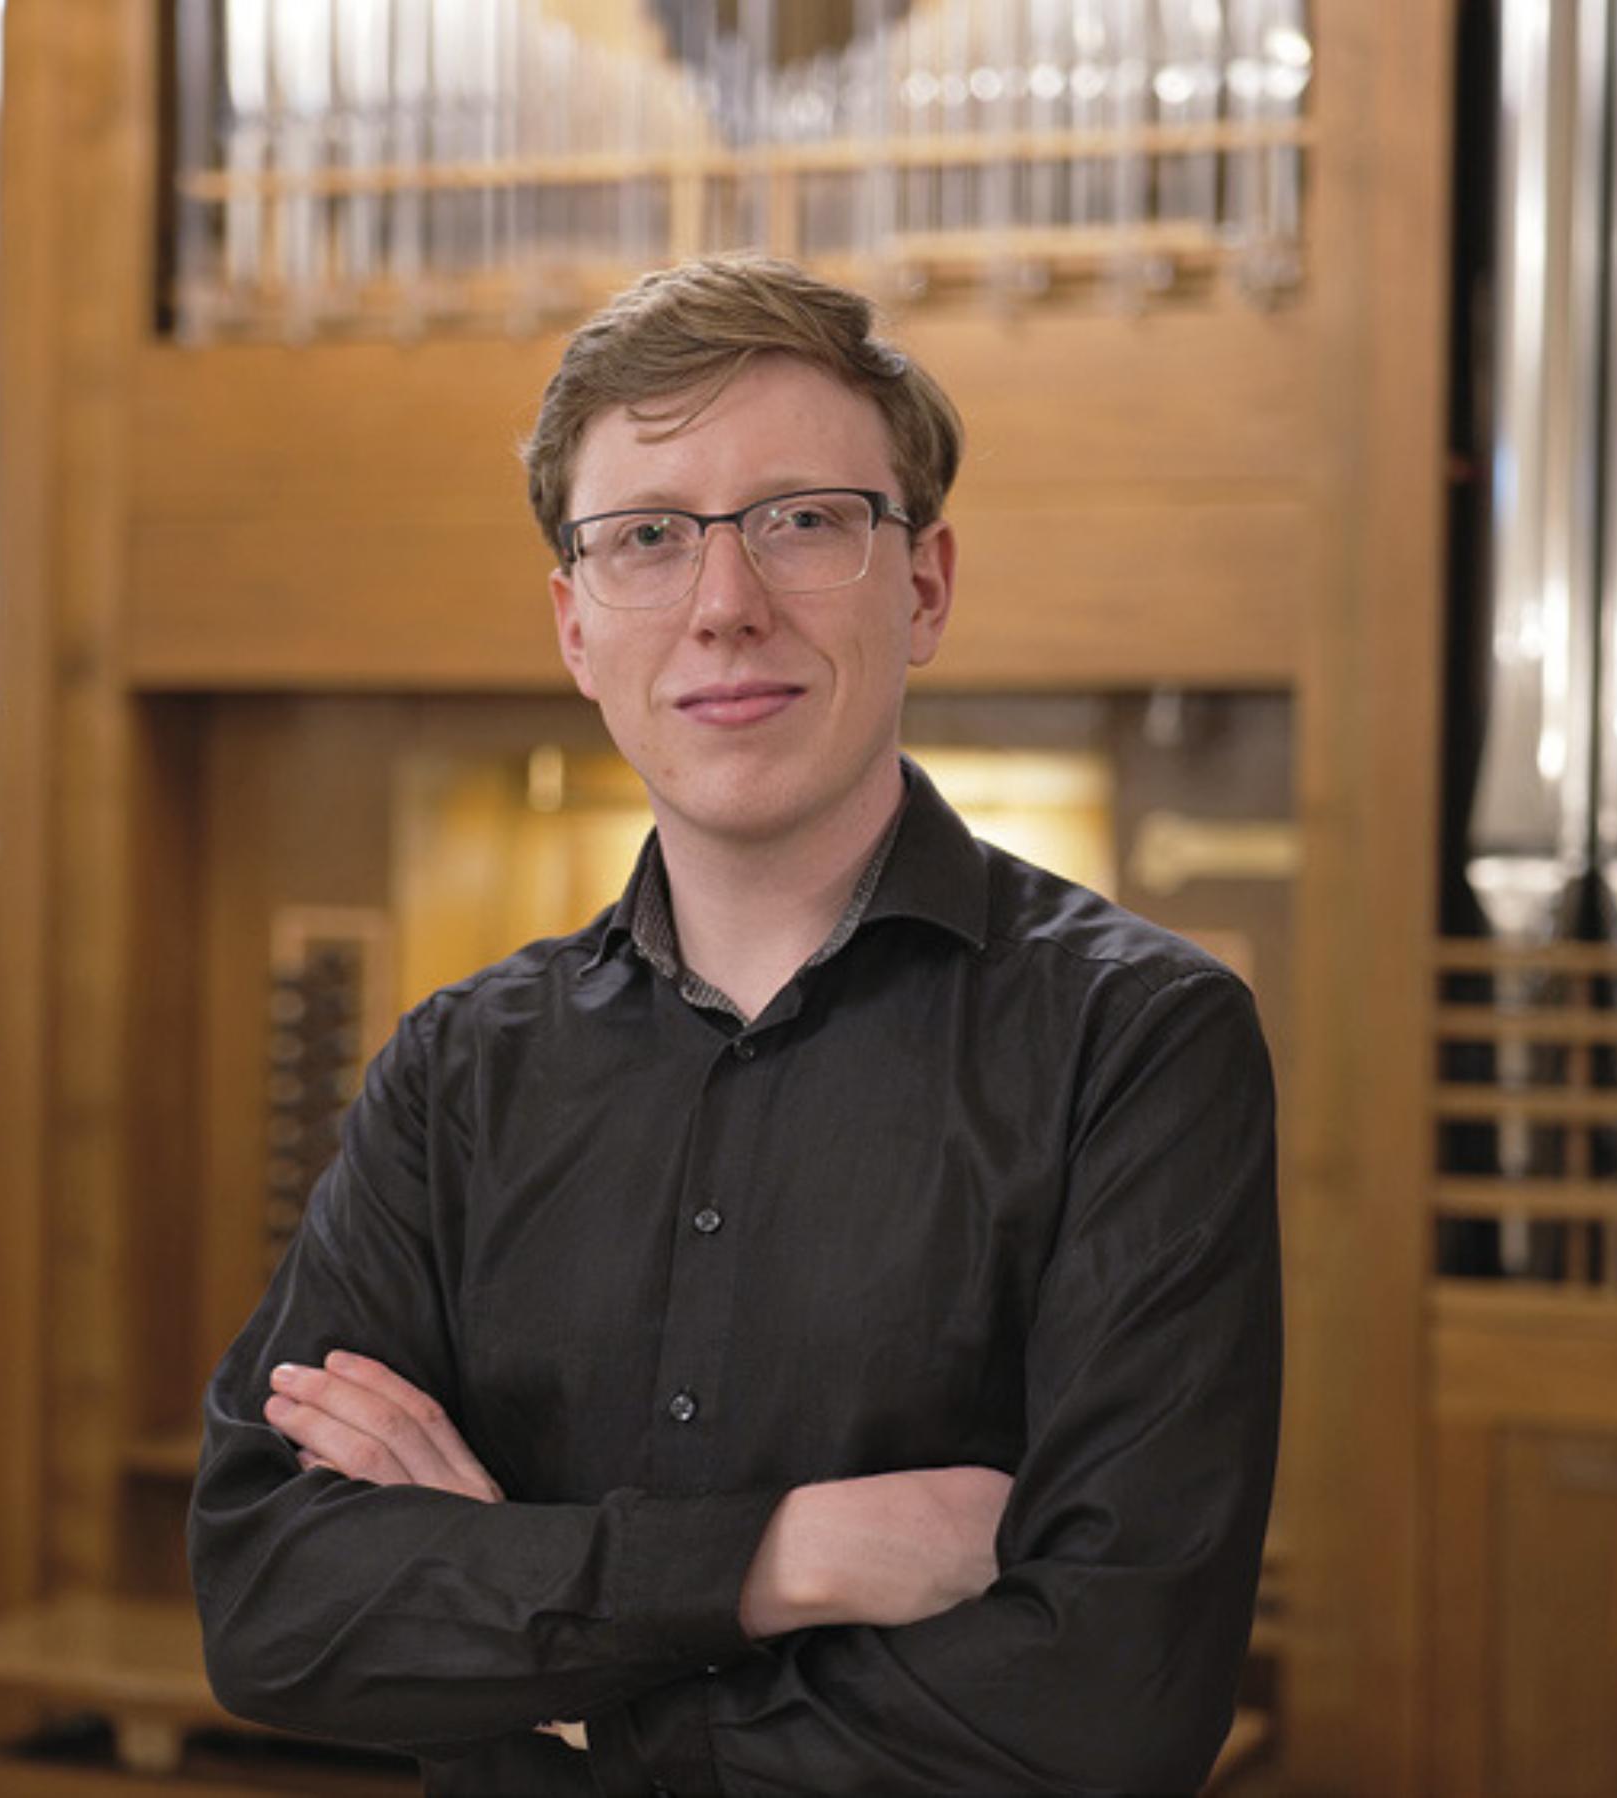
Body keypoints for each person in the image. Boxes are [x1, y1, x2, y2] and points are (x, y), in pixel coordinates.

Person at [189, 255, 1281, 1798]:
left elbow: (1112, 1702)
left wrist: (553, 1692)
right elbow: (271, 1604)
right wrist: (780, 1561)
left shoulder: (1143, 1042)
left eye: (804, 521)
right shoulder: (455, 1071)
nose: (723, 605)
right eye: (647, 538)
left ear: (924, 585)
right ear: (576, 628)